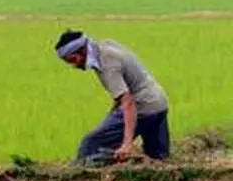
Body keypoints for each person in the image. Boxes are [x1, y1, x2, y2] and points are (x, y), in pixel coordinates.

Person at [54, 29, 171, 164]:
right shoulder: (105, 45)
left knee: (91, 144)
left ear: (82, 50)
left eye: (73, 60)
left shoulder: (106, 64)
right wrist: (110, 118)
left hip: (142, 106)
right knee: (159, 160)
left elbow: (128, 103)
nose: (74, 65)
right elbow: (120, 98)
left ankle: (84, 179)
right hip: (159, 102)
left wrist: (127, 144)